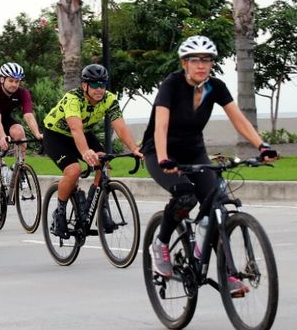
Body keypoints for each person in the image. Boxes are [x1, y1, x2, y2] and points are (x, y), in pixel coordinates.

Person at [144, 35, 278, 295]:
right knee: (185, 197)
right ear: (184, 63)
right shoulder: (171, 85)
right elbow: (160, 126)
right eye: (195, 60)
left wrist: (262, 146)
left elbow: (239, 119)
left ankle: (225, 273)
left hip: (194, 152)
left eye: (206, 60)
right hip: (160, 151)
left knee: (218, 205)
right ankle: (160, 244)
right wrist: (163, 158)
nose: (201, 65)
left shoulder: (215, 87)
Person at [42, 64, 142, 239]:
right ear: (84, 86)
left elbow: (120, 127)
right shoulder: (73, 99)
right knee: (74, 171)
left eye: (102, 84)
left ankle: (98, 208)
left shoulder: (109, 99)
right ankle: (60, 212)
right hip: (56, 135)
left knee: (104, 164)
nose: (99, 89)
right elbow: (75, 129)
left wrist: (134, 148)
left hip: (83, 133)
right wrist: (86, 151)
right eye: (94, 85)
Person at [0, 62, 44, 221]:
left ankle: (20, 169)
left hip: (5, 120)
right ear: (2, 79)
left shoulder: (23, 93)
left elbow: (28, 115)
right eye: (11, 80)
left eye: (17, 81)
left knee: (19, 132)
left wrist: (37, 134)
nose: (14, 85)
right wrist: (2, 136)